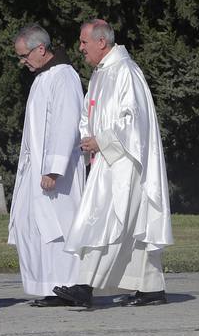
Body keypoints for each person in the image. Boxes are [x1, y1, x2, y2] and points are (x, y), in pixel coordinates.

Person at [54, 19, 172, 309]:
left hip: (125, 161)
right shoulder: (101, 74)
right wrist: (88, 138)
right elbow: (88, 113)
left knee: (108, 220)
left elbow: (134, 121)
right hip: (106, 160)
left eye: (84, 42)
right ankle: (151, 287)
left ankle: (85, 286)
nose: (80, 48)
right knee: (128, 222)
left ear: (101, 42)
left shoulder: (126, 72)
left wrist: (103, 140)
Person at [8, 24, 85, 306]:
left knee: (58, 227)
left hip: (56, 175)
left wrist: (53, 168)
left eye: (24, 54)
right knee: (36, 227)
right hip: (36, 171)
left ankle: (68, 285)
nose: (22, 60)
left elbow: (66, 122)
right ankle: (51, 285)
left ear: (41, 49)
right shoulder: (44, 77)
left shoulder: (64, 76)